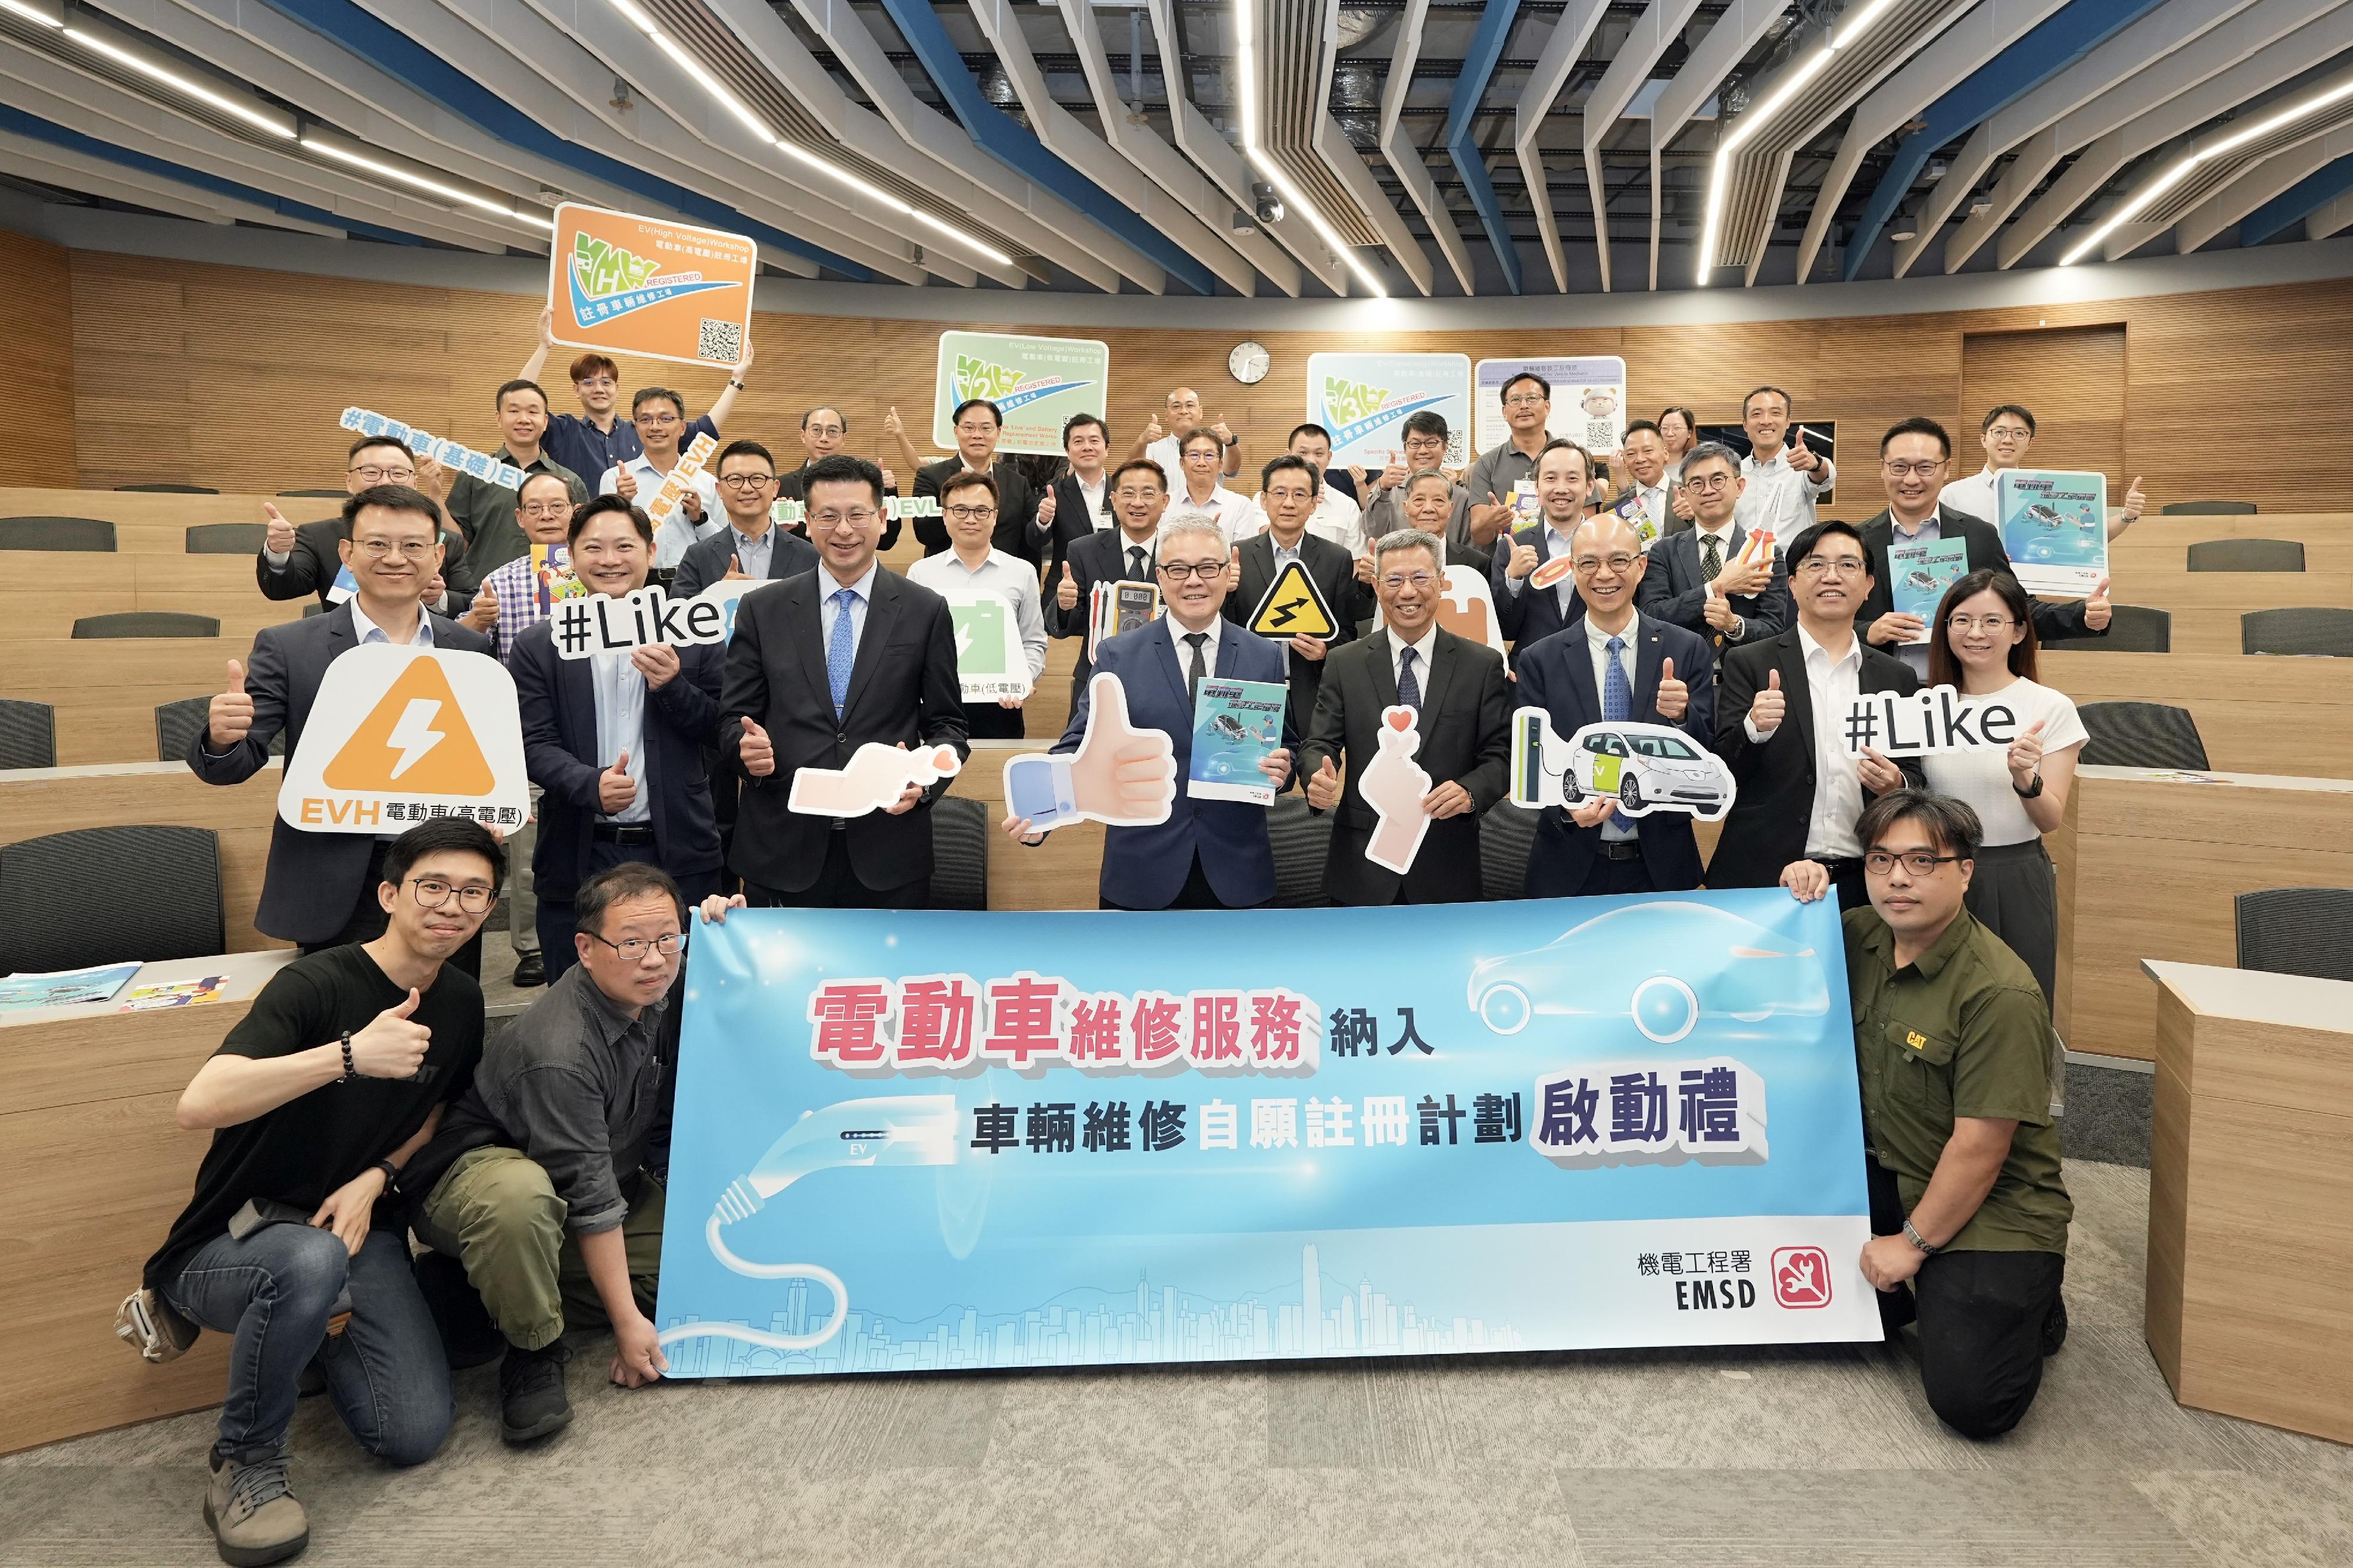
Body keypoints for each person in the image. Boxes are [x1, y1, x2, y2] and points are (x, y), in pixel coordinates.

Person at [139, 819, 497, 1566]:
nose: (452, 905)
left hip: (356, 1227)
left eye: (473, 892)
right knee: (303, 1263)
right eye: (433, 886)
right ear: (390, 893)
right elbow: (198, 1103)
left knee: (412, 1434)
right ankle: (245, 1461)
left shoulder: (461, 1000)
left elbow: (434, 1112)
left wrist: (377, 1177)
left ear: (491, 909)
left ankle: (307, 1332)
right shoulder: (316, 981)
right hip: (235, 1238)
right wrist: (347, 1055)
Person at [1786, 789, 2072, 1440]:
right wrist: (1794, 886)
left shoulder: (1998, 991)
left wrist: (1911, 1247)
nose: (1897, 878)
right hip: (1889, 1170)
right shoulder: (1857, 935)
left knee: (1973, 1405)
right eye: (1880, 859)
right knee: (1808, 1307)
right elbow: (1769, 941)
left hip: (1991, 1201)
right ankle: (1934, 1293)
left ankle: (2033, 1301)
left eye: (1921, 860)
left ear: (1965, 870)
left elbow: (1980, 1149)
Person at [407, 861, 687, 1446]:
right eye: (632, 942)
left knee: (702, 1272)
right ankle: (532, 1346)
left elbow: (732, 961)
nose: (656, 957)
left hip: (600, 1181)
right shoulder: (561, 1048)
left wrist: (722, 920)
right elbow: (586, 1191)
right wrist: (626, 1324)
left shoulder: (653, 984)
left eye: (668, 936)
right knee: (520, 1205)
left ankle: (481, 1289)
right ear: (585, 947)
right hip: (486, 1177)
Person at [194, 486, 498, 965]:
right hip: (335, 879)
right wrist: (222, 737)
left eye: (413, 546)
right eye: (377, 544)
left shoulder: (470, 648)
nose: (395, 558)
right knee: (341, 1029)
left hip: (445, 879)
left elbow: (483, 761)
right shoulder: (290, 646)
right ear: (347, 554)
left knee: (447, 1023)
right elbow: (232, 765)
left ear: (438, 556)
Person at [1009, 514, 1294, 910]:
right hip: (1141, 872)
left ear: (1228, 573)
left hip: (1239, 874)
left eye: (1208, 567)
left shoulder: (1262, 655)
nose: (1193, 580)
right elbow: (1079, 745)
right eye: (1178, 569)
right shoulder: (1118, 655)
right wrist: (1042, 814)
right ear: (1160, 576)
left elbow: (1286, 744)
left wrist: (1284, 770)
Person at [722, 454, 968, 907]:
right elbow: (732, 720)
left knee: (884, 980)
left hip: (888, 850)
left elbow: (949, 726)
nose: (844, 530)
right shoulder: (763, 609)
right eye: (828, 516)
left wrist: (925, 780)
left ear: (881, 517)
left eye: (857, 514)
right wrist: (742, 748)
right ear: (807, 521)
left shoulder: (925, 610)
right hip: (782, 846)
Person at [511, 494, 726, 976]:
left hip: (678, 850)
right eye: (594, 548)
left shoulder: (694, 631)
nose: (609, 560)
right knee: (576, 996)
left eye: (624, 546)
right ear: (570, 556)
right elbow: (532, 742)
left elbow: (720, 728)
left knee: (681, 996)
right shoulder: (539, 644)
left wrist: (673, 687)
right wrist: (590, 785)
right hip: (577, 851)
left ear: (651, 553)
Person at [1708, 519, 1924, 909]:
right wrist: (1753, 729)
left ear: (1869, 584)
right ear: (1792, 583)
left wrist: (1897, 783)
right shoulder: (1748, 663)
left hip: (1866, 883)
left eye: (1847, 565)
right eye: (1816, 565)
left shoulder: (1897, 677)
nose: (1832, 576)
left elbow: (1916, 776)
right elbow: (1723, 773)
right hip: (1764, 875)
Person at [1301, 528, 1510, 905]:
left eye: (1420, 578)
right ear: (1378, 587)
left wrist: (1471, 791)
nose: (1408, 592)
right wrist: (1316, 772)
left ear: (1442, 583)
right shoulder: (1344, 662)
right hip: (1363, 863)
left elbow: (1501, 755)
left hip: (1448, 862)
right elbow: (1320, 743)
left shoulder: (1481, 665)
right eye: (1394, 580)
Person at [1514, 512, 1716, 896]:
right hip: (1567, 866)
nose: (1604, 574)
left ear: (1641, 567)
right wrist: (1566, 807)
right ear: (1573, 571)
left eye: (1618, 561)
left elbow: (1707, 751)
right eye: (1588, 563)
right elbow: (1529, 763)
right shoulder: (1540, 659)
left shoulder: (1686, 649)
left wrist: (1680, 720)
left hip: (1662, 867)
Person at [1918, 569, 2087, 1005]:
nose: (1976, 633)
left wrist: (2024, 779)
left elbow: (2050, 820)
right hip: (1935, 873)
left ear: (2019, 632)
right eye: (1962, 620)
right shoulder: (1923, 706)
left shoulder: (2049, 706)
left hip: (2014, 875)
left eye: (1993, 621)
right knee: (1935, 1008)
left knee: (2014, 1007)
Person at [1857, 418, 2111, 675]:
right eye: (1899, 467)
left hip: (1963, 686)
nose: (1911, 480)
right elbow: (1819, 617)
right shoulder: (1855, 542)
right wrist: (1869, 631)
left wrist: (2082, 616)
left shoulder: (1979, 535)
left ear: (1946, 469)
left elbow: (2017, 609)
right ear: (1883, 468)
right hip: (1877, 689)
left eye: (1925, 467)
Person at [457, 470, 576, 987]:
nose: (548, 516)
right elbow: (463, 660)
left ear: (574, 510)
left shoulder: (602, 569)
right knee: (528, 853)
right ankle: (531, 946)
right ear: (520, 518)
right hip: (523, 737)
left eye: (558, 506)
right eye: (537, 509)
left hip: (592, 728)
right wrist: (477, 624)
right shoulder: (496, 583)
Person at [516, 307, 743, 483]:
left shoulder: (644, 430)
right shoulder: (564, 431)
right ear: (576, 390)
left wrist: (736, 380)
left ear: (617, 388)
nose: (599, 389)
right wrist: (543, 347)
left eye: (606, 382)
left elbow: (706, 428)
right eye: (588, 382)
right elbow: (521, 398)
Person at [905, 471, 1049, 740]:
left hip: (1001, 708)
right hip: (935, 710)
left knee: (994, 780)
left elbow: (1033, 642)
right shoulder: (920, 574)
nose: (971, 519)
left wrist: (1022, 681)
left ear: (995, 516)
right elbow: (910, 646)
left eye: (982, 511)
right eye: (960, 510)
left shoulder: (1022, 572)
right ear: (945, 514)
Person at [1225, 454, 1361, 737]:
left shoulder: (1337, 559)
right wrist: (1224, 593)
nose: (1289, 503)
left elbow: (1347, 632)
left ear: (1313, 504)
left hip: (1313, 691)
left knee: (1312, 772)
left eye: (1300, 494)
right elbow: (1223, 628)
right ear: (1264, 500)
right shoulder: (1237, 556)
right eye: (1279, 493)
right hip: (1251, 690)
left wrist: (1326, 650)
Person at [258, 436, 467, 613]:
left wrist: (438, 599)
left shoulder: (446, 539)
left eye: (398, 473)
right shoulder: (318, 535)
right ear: (349, 481)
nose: (386, 482)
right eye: (371, 472)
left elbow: (469, 601)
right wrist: (277, 553)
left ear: (414, 482)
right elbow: (281, 590)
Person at [1637, 440, 1790, 664]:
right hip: (1679, 677)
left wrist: (1734, 625)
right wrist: (1717, 587)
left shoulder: (1765, 553)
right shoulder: (1663, 552)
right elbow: (1651, 616)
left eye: (1718, 480)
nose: (1708, 490)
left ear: (1739, 487)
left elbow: (1774, 629)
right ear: (1685, 494)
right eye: (1697, 484)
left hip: (1743, 682)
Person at [1050, 457, 1169, 709]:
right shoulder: (1084, 550)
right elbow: (1068, 627)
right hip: (1098, 679)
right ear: (1113, 500)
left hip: (1163, 681)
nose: (1137, 502)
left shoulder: (1180, 552)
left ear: (1165, 501)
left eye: (1148, 493)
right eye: (1128, 493)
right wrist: (1065, 604)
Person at [445, 379, 590, 585]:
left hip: (558, 589)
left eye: (533, 412)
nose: (524, 419)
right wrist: (434, 494)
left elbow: (584, 541)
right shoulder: (475, 473)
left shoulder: (569, 480)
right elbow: (458, 543)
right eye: (514, 411)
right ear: (499, 419)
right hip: (485, 591)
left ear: (546, 421)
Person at [1939, 403, 2146, 535]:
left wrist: (2127, 514)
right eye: (1999, 432)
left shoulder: (2043, 492)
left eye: (2019, 434)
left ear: (2031, 442)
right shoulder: (1953, 495)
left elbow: (2085, 533)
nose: (2008, 440)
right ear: (1983, 439)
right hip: (1969, 596)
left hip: (2025, 596)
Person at [903, 398, 1051, 563]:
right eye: (969, 428)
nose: (978, 435)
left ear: (999, 433)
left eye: (986, 428)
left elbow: (1029, 542)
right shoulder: (930, 475)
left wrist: (1043, 520)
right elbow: (924, 533)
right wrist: (958, 503)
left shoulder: (1017, 483)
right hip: (947, 578)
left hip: (1001, 580)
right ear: (956, 431)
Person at [669, 439, 819, 599]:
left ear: (775, 488)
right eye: (735, 479)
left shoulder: (810, 555)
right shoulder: (697, 556)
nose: (747, 488)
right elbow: (675, 617)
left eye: (757, 479)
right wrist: (717, 594)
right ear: (719, 490)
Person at [594, 387, 721, 572]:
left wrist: (700, 519)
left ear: (683, 427)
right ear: (636, 427)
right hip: (636, 582)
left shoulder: (707, 482)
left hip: (694, 582)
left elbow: (722, 545)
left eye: (666, 419)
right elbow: (602, 541)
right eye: (645, 419)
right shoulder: (615, 478)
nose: (655, 427)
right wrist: (620, 503)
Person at [1492, 438, 1597, 653]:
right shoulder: (1511, 548)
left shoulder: (1609, 545)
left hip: (1595, 667)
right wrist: (1513, 578)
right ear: (1537, 487)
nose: (1561, 488)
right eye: (1551, 478)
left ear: (1589, 487)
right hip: (1532, 674)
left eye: (1572, 479)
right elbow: (1503, 629)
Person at [1463, 371, 1556, 548]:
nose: (1524, 406)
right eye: (1515, 400)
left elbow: (1587, 522)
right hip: (1506, 564)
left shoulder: (1571, 457)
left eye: (1532, 398)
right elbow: (1479, 536)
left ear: (1547, 406)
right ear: (1505, 412)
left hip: (1562, 562)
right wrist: (1491, 521)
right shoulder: (1486, 464)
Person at [1360, 411, 1475, 550]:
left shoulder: (1461, 497)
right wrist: (1383, 489)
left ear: (1445, 447)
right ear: (1405, 448)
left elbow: (1468, 550)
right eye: (1415, 444)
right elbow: (1372, 532)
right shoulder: (1389, 491)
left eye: (1431, 443)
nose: (1423, 450)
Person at [1733, 386, 1836, 537]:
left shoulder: (1802, 467)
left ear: (1788, 421)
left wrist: (1816, 464)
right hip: (1742, 560)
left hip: (1791, 560)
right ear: (1745, 424)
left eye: (1776, 413)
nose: (1766, 421)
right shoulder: (1734, 472)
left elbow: (1825, 478)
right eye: (1756, 414)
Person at [1042, 411, 1115, 583]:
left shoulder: (1123, 492)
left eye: (1094, 440)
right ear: (1067, 452)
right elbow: (1034, 539)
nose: (1087, 447)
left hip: (1113, 588)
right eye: (1078, 442)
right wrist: (1043, 521)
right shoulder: (1055, 493)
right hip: (1065, 587)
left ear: (1107, 449)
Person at [1171, 426, 1266, 543]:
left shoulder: (1240, 506)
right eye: (1194, 455)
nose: (1201, 463)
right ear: (1182, 463)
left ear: (1221, 464)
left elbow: (1244, 556)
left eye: (1209, 456)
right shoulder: (1165, 504)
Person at [1284, 423, 1365, 555]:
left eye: (1319, 453)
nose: (1311, 460)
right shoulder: (1268, 498)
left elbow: (1355, 561)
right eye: (1303, 453)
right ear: (1288, 455)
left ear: (1329, 457)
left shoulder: (1348, 506)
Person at [1133, 385, 1242, 482]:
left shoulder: (1215, 446)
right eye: (1176, 406)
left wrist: (1230, 442)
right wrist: (1142, 441)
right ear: (1166, 414)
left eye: (1190, 406)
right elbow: (1135, 471)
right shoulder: (1154, 449)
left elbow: (1231, 469)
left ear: (1200, 412)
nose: (1184, 411)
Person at [1608, 419, 1678, 538]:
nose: (1640, 459)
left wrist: (1693, 518)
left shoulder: (1689, 496)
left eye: (1648, 451)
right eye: (1631, 454)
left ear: (1665, 453)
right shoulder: (1616, 509)